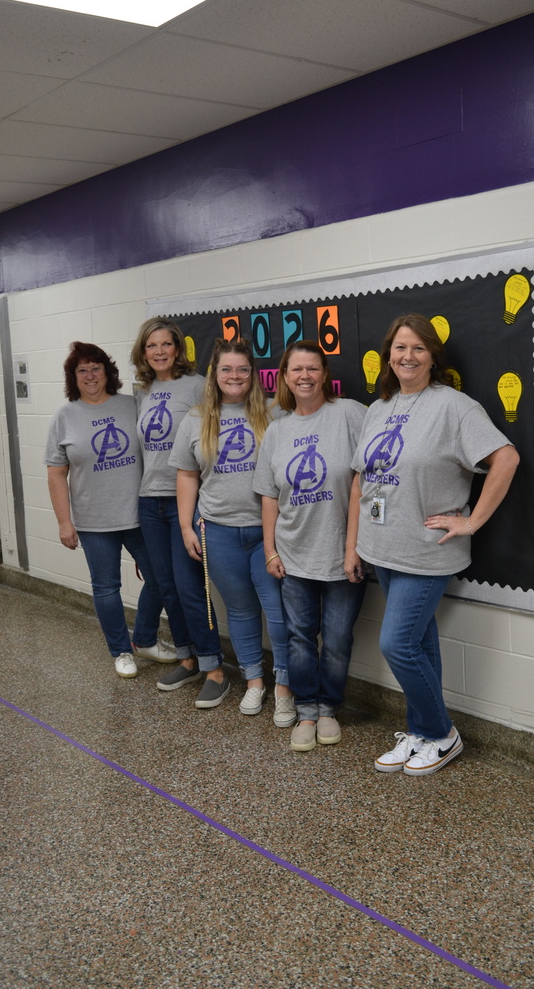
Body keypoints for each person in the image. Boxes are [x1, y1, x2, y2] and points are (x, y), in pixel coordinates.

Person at [345, 313, 519, 776]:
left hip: (427, 550)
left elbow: (506, 458)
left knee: (396, 645)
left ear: (432, 356)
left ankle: (442, 733)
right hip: (382, 546)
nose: (408, 356)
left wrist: (472, 522)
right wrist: (353, 544)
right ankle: (420, 732)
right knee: (420, 642)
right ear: (388, 355)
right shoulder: (378, 407)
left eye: (418, 348)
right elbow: (362, 478)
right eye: (400, 348)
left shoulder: (454, 406)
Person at [170, 338, 295, 726]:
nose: (235, 376)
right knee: (240, 612)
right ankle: (254, 681)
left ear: (253, 374)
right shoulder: (196, 419)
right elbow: (187, 476)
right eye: (227, 369)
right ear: (215, 374)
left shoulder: (275, 414)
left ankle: (285, 687)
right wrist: (186, 526)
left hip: (267, 533)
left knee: (277, 614)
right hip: (219, 531)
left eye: (242, 369)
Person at [253, 340, 367, 751]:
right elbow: (268, 496)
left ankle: (327, 709)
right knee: (300, 637)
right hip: (294, 554)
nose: (304, 376)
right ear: (284, 377)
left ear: (325, 374)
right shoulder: (278, 430)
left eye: (313, 369)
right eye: (296, 369)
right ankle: (305, 709)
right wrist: (270, 550)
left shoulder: (350, 414)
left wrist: (354, 548)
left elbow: (367, 476)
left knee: (337, 639)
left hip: (342, 552)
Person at [45, 341, 171, 678]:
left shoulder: (131, 405)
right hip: (93, 520)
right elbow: (56, 473)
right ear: (74, 376)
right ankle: (120, 650)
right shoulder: (65, 416)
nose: (90, 375)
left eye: (96, 368)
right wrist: (63, 522)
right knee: (106, 587)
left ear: (107, 372)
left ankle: (143, 639)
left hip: (141, 514)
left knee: (160, 578)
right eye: (82, 370)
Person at [132, 317, 227, 708]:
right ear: (143, 352)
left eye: (165, 344)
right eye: (151, 345)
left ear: (178, 349)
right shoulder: (143, 391)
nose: (158, 351)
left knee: (190, 588)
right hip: (149, 499)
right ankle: (187, 657)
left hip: (183, 500)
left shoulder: (196, 387)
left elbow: (216, 433)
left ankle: (215, 670)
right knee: (166, 585)